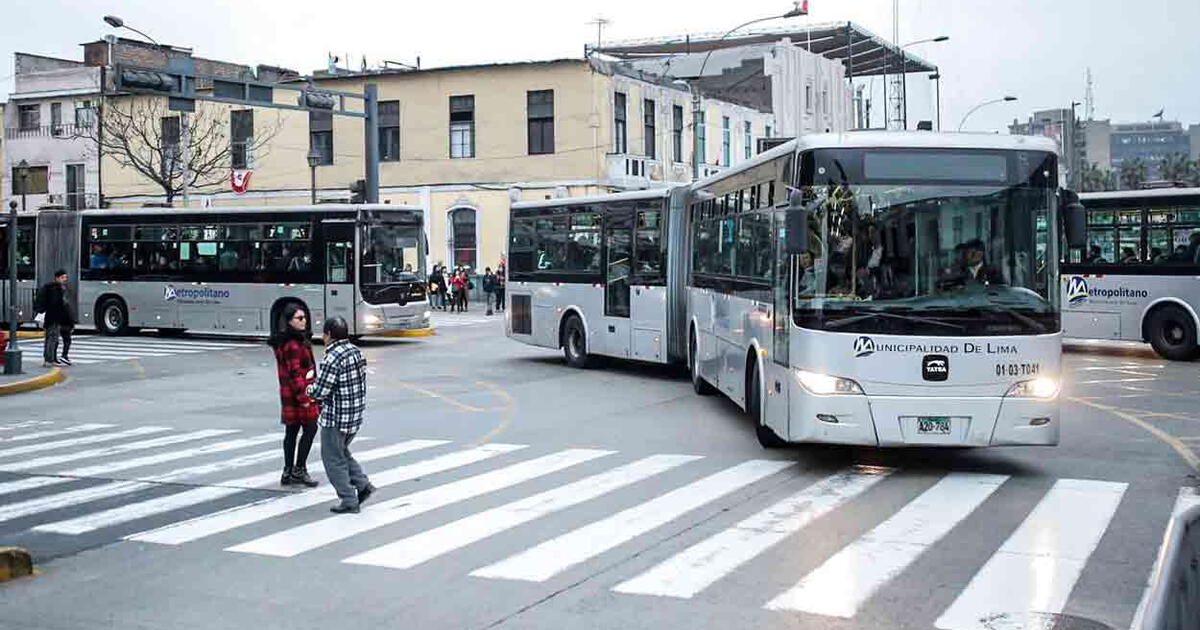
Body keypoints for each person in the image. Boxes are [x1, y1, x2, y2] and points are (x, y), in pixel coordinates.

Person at [307, 316, 374, 514]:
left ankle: (348, 499)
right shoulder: (356, 352)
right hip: (353, 416)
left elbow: (322, 391)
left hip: (335, 418)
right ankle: (363, 485)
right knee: (341, 453)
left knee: (332, 459)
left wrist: (309, 389)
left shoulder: (332, 357)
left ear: (328, 335)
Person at [268, 304, 320, 488]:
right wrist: (304, 398)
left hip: (290, 396)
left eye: (304, 317)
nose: (304, 320)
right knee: (311, 428)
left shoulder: (291, 341)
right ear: (289, 322)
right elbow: (295, 373)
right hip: (299, 396)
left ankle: (288, 470)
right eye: (299, 318)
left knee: (291, 432)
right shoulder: (293, 345)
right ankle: (299, 469)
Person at [36, 270, 71, 368]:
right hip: (54, 318)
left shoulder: (51, 287)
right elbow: (56, 304)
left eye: (65, 278)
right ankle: (49, 360)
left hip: (51, 317)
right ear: (57, 278)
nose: (65, 280)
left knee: (50, 338)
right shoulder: (56, 289)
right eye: (63, 278)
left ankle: (48, 359)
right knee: (52, 339)